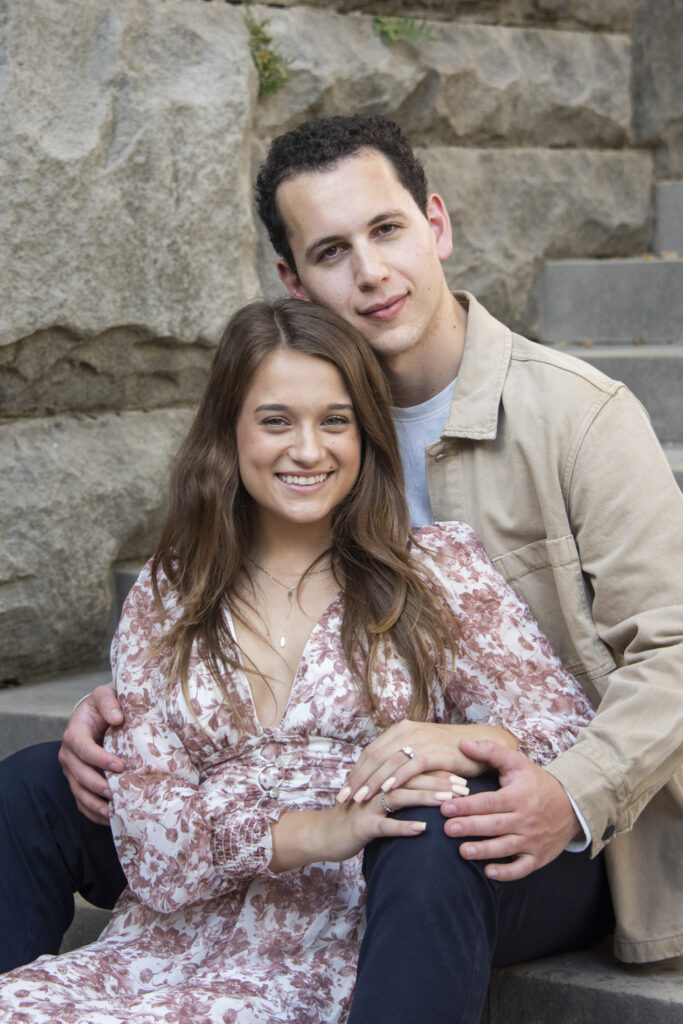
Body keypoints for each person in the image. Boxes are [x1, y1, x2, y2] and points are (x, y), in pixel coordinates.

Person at [0, 114, 680, 1008]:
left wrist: (557, 784)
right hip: (298, 796)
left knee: (423, 828)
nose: (369, 273)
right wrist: (146, 700)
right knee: (33, 786)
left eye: (387, 230)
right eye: (331, 251)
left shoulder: (576, 416)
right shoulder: (293, 405)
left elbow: (671, 650)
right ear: (292, 278)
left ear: (434, 224)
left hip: (527, 808)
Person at [0, 298, 600, 1022]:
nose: (309, 450)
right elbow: (156, 843)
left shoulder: (435, 570)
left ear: (365, 433)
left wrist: (461, 741)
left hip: (381, 902)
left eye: (335, 421)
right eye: (276, 420)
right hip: (208, 912)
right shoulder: (171, 589)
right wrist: (321, 828)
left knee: (420, 835)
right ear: (229, 430)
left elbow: (566, 731)